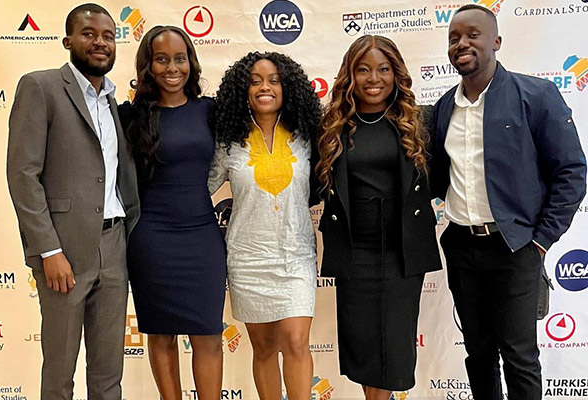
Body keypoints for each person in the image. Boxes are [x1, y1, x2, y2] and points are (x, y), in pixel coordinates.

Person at [431, 5, 587, 400]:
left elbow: (571, 171)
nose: (462, 44)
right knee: (477, 355)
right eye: (454, 38)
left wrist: (540, 240)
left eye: (473, 35)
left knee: (519, 357)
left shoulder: (536, 96)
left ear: (496, 42)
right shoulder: (444, 109)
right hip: (463, 247)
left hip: (516, 248)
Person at [6, 3, 140, 399]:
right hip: (64, 251)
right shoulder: (40, 86)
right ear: (67, 40)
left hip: (115, 247)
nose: (99, 42)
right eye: (88, 33)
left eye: (107, 36)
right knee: (60, 373)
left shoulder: (113, 101)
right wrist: (49, 250)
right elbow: (23, 174)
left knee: (108, 374)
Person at [312, 35, 442, 399]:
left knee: (394, 348)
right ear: (350, 75)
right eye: (363, 69)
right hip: (355, 251)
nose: (374, 78)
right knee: (365, 346)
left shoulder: (418, 121)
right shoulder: (333, 125)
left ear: (396, 73)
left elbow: (443, 176)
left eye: (383, 69)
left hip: (402, 252)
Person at [120, 26, 226, 400]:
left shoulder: (211, 111)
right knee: (160, 334)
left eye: (179, 58)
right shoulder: (128, 117)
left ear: (191, 62)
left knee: (209, 335)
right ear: (147, 65)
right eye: (161, 59)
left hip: (202, 237)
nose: (171, 67)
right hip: (151, 240)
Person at [209, 52, 320, 400]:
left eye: (273, 80)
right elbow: (198, 187)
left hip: (297, 255)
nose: (264, 87)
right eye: (255, 81)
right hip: (247, 259)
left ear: (288, 88)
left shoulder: (308, 136)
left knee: (297, 341)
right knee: (265, 348)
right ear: (243, 90)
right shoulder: (228, 142)